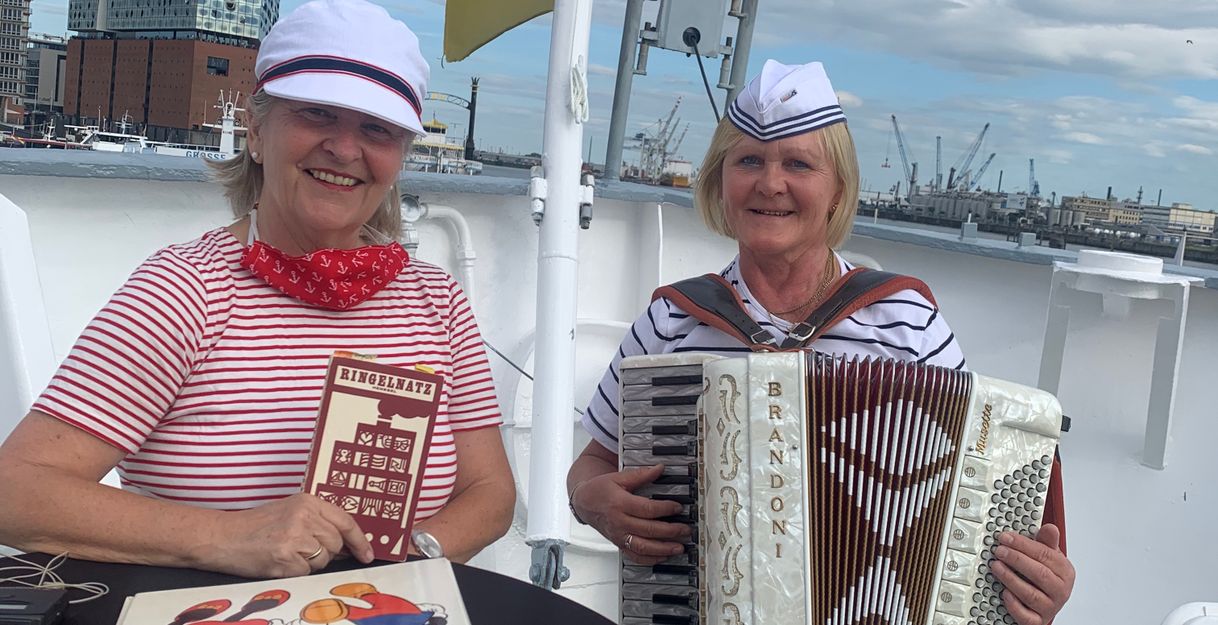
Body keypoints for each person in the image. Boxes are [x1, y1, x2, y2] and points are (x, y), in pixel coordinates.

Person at [0, 0, 513, 578]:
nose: (346, 149)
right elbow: (16, 491)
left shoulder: (435, 300)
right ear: (257, 131)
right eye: (317, 114)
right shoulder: (184, 290)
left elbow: (490, 491)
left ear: (399, 157)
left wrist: (408, 557)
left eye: (377, 129)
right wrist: (227, 536)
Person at [567, 60, 1074, 625]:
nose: (770, 183)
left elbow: (979, 487)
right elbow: (593, 463)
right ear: (720, 181)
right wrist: (588, 502)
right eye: (749, 160)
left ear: (837, 191)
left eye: (799, 164)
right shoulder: (672, 321)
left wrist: (1036, 589)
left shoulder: (906, 323)